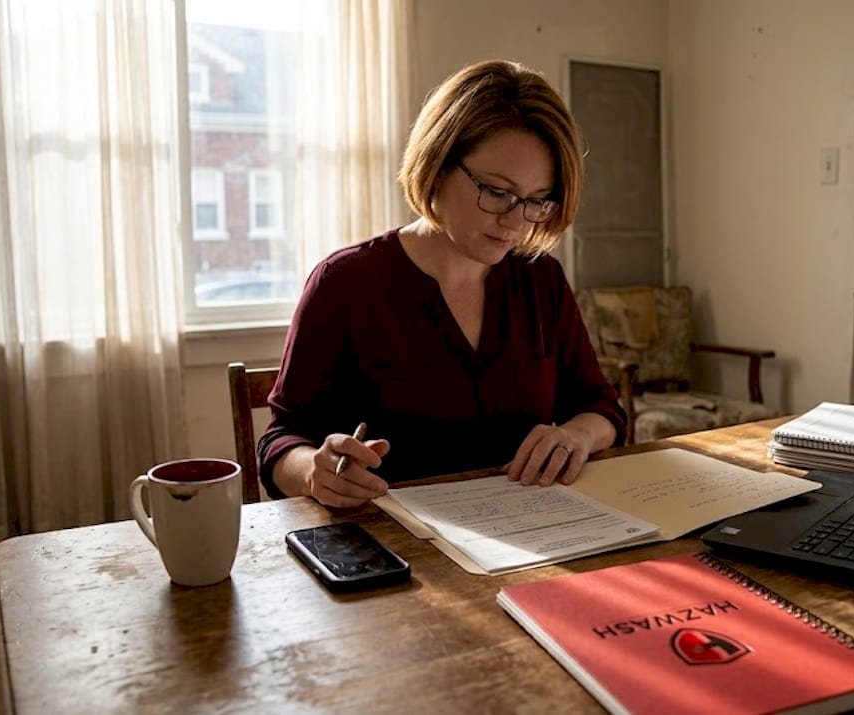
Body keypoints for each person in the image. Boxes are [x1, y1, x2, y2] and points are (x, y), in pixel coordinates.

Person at [257, 59, 626, 507]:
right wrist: (313, 471)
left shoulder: (539, 277)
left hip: (529, 529)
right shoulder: (345, 282)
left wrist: (577, 435)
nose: (516, 222)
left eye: (536, 201)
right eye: (497, 192)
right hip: (392, 536)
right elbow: (281, 440)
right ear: (437, 166)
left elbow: (601, 406)